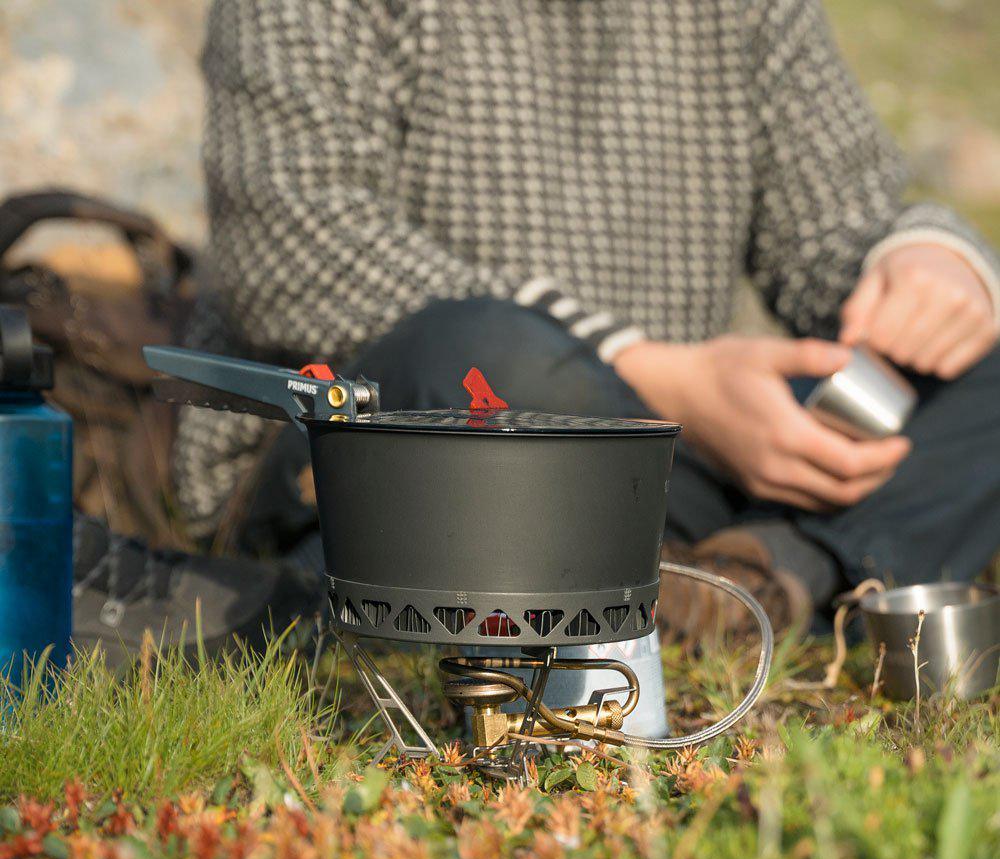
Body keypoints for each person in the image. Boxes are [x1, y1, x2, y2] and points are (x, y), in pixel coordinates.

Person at [74, 0, 1000, 654]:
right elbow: (295, 253)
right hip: (382, 440)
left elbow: (835, 231)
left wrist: (924, 264)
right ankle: (698, 581)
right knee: (484, 348)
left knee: (979, 347)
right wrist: (654, 371)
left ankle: (754, 573)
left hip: (663, 459)